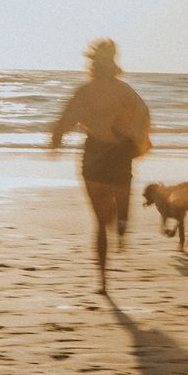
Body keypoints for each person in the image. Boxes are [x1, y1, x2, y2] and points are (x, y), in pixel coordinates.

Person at [50, 39, 151, 294]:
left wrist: (55, 142)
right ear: (114, 62)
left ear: (92, 63)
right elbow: (143, 119)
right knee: (121, 201)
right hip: (119, 156)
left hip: (94, 156)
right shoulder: (126, 92)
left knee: (99, 223)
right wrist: (139, 144)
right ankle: (123, 223)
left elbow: (64, 121)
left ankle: (103, 282)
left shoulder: (85, 92)